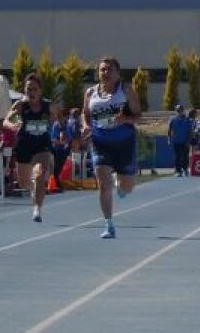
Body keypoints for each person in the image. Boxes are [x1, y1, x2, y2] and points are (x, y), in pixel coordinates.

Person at [83, 57, 143, 239]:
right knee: (103, 184)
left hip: (124, 142)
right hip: (101, 142)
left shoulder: (125, 90)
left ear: (118, 73)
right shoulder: (90, 93)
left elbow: (138, 115)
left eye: (109, 70)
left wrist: (124, 119)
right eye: (102, 70)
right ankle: (109, 224)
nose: (105, 73)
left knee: (127, 187)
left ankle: (122, 185)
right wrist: (85, 126)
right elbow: (85, 114)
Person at [8, 74, 55, 223]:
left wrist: (53, 126)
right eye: (29, 89)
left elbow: (56, 118)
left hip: (42, 145)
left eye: (35, 89)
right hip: (24, 145)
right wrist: (13, 125)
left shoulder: (48, 106)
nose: (32, 92)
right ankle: (33, 190)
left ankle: (37, 209)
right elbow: (6, 120)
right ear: (24, 90)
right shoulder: (20, 106)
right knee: (24, 183)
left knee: (40, 175)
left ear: (40, 91)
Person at [49, 104, 72, 190]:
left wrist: (66, 143)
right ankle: (56, 182)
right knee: (57, 165)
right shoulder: (56, 126)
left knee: (61, 165)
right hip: (57, 149)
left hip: (64, 149)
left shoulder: (67, 126)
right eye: (61, 118)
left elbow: (69, 138)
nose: (63, 119)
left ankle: (57, 181)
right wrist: (62, 143)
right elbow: (53, 139)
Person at [167, 104, 193, 176]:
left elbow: (190, 131)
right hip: (176, 142)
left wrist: (188, 141)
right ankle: (178, 171)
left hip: (185, 142)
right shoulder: (173, 120)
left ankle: (185, 169)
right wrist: (169, 139)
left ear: (183, 110)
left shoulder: (187, 120)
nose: (179, 111)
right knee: (177, 157)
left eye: (180, 110)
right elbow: (169, 130)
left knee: (185, 156)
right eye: (177, 110)